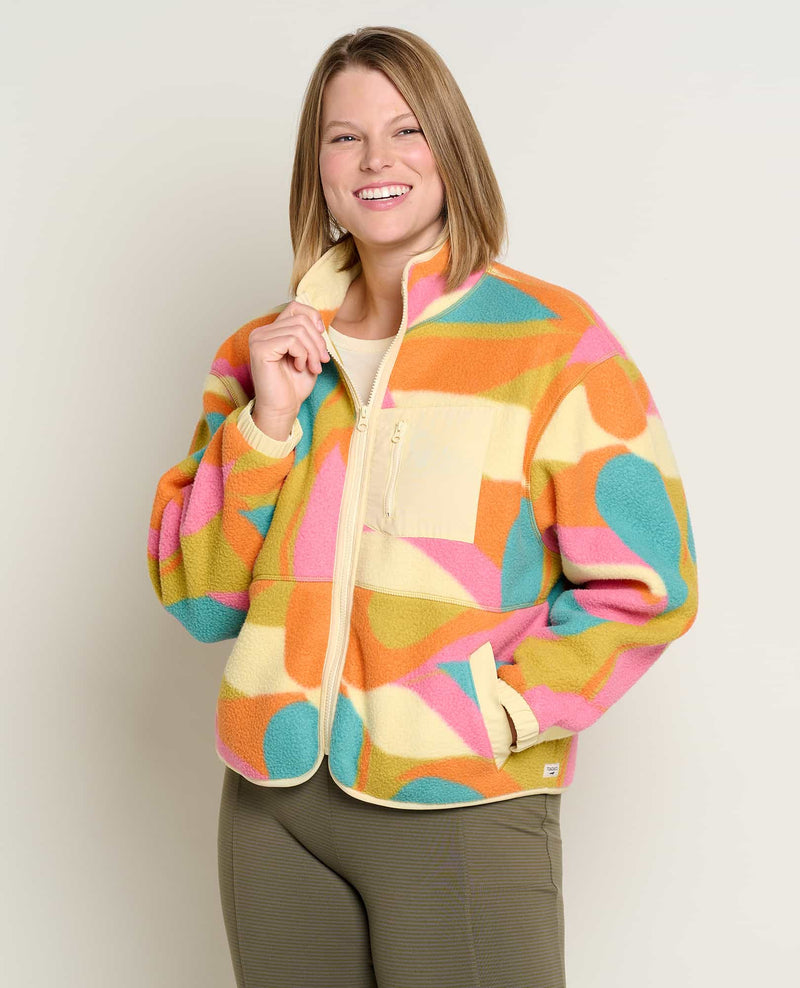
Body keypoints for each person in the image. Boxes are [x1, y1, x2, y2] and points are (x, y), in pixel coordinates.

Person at [147, 25, 699, 988]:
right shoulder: (260, 353)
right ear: (317, 167)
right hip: (274, 809)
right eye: (345, 137)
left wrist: (504, 712)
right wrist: (266, 425)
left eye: (406, 130)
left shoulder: (552, 343)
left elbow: (648, 586)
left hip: (463, 806)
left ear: (451, 148)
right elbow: (200, 601)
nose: (377, 160)